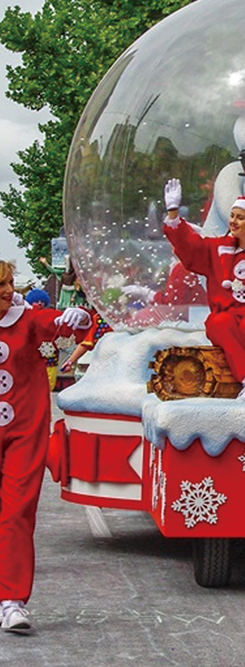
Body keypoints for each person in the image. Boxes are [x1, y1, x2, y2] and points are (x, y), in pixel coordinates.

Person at [0, 260, 91, 632]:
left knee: (17, 512)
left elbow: (60, 324)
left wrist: (77, 317)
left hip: (24, 430)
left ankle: (11, 600)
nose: (7, 290)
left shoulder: (26, 319)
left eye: (8, 282)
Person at [162, 179, 245, 405]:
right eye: (232, 216)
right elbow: (191, 249)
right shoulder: (217, 249)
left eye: (240, 217)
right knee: (218, 322)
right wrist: (173, 215)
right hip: (229, 315)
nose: (233, 221)